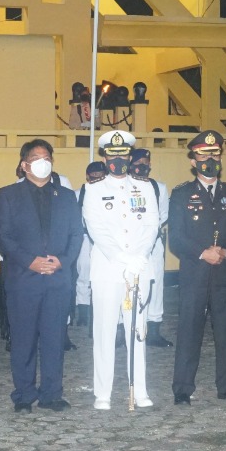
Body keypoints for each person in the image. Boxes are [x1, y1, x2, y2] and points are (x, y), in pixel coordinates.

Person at [0, 139, 81, 412]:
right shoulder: (8, 195)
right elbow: (3, 237)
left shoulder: (66, 196)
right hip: (23, 279)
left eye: (48, 158)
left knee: (55, 338)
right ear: (25, 164)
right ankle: (24, 395)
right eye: (37, 158)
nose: (43, 162)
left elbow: (76, 236)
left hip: (57, 279)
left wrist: (62, 262)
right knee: (23, 339)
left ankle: (52, 394)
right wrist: (30, 261)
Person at [168, 131, 226, 405]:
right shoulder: (181, 195)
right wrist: (203, 253)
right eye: (203, 155)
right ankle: (182, 388)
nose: (210, 160)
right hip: (195, 272)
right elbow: (177, 238)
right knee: (189, 329)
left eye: (214, 155)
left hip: (224, 272)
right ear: (193, 160)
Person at [81, 130, 160, 410]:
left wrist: (140, 255)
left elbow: (152, 224)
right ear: (104, 157)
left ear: (130, 155)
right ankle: (102, 392)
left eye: (123, 154)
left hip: (139, 267)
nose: (118, 160)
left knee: (138, 331)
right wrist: (123, 257)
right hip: (108, 270)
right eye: (112, 155)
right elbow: (96, 229)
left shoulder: (145, 187)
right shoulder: (94, 189)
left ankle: (139, 390)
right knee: (104, 331)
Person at [129, 148, 172, 348]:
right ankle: (124, 329)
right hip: (128, 244)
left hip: (153, 243)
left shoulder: (158, 187)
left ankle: (153, 329)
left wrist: (147, 231)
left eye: (145, 162)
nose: (142, 166)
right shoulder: (123, 185)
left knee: (155, 285)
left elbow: (163, 214)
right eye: (137, 162)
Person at [72, 161, 107, 329]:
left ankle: (100, 310)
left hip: (103, 239)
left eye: (100, 177)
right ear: (87, 177)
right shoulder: (79, 194)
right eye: (94, 177)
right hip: (85, 237)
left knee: (102, 275)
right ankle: (83, 312)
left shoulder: (109, 193)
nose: (97, 180)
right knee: (83, 273)